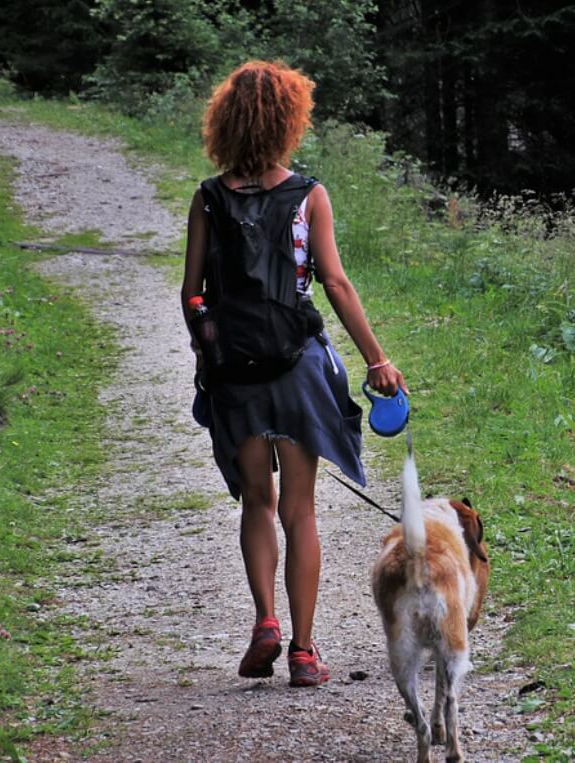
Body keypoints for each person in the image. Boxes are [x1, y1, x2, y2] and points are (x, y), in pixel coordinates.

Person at [181, 60, 406, 687]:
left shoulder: (208, 196)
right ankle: (305, 654)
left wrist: (212, 356)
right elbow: (333, 282)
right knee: (300, 511)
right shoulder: (308, 194)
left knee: (258, 501)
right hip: (297, 366)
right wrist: (377, 361)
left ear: (225, 121)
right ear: (288, 121)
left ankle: (266, 624)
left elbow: (191, 292)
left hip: (236, 373)